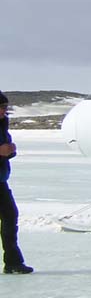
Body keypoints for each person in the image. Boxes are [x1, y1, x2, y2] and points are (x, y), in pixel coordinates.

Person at [0, 91, 33, 275]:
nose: (5, 111)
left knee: (10, 217)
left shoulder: (2, 125)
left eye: (5, 108)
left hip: (1, 181)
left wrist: (10, 151)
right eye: (2, 108)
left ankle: (13, 261)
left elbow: (6, 148)